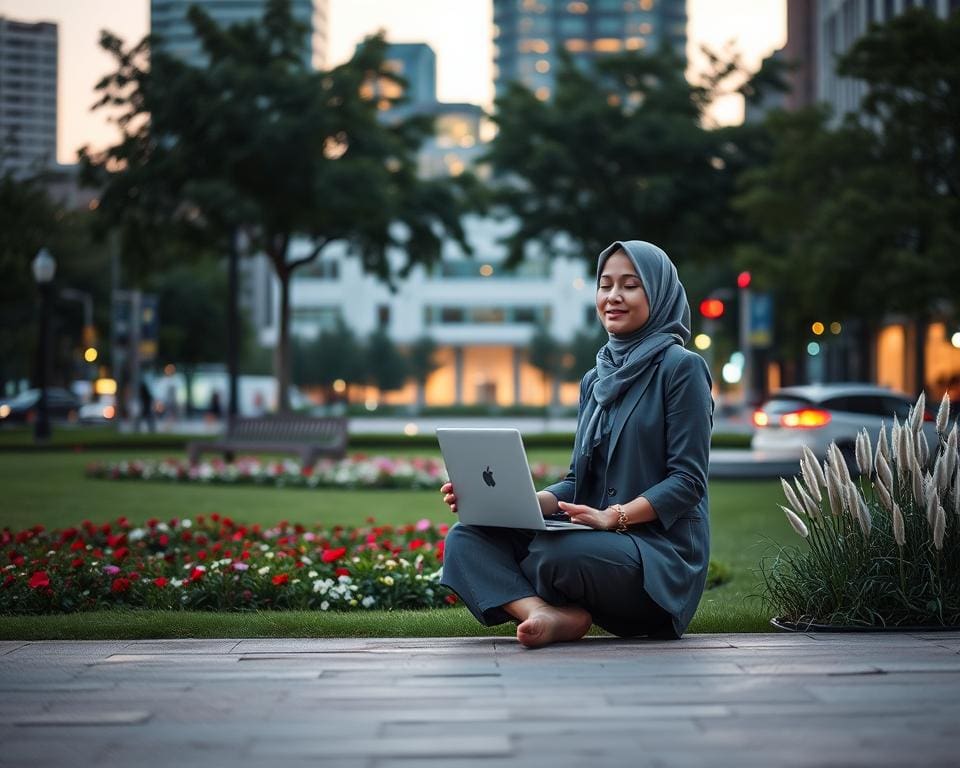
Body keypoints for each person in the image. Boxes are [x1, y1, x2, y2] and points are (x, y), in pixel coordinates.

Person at [439, 240, 713, 648]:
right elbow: (576, 481)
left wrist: (614, 517)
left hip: (656, 555)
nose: (613, 297)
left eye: (630, 285)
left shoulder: (681, 369)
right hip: (595, 543)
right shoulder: (595, 378)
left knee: (556, 555)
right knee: (465, 538)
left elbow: (688, 482)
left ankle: (559, 603)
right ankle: (543, 612)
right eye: (605, 285)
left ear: (658, 293)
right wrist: (517, 505)